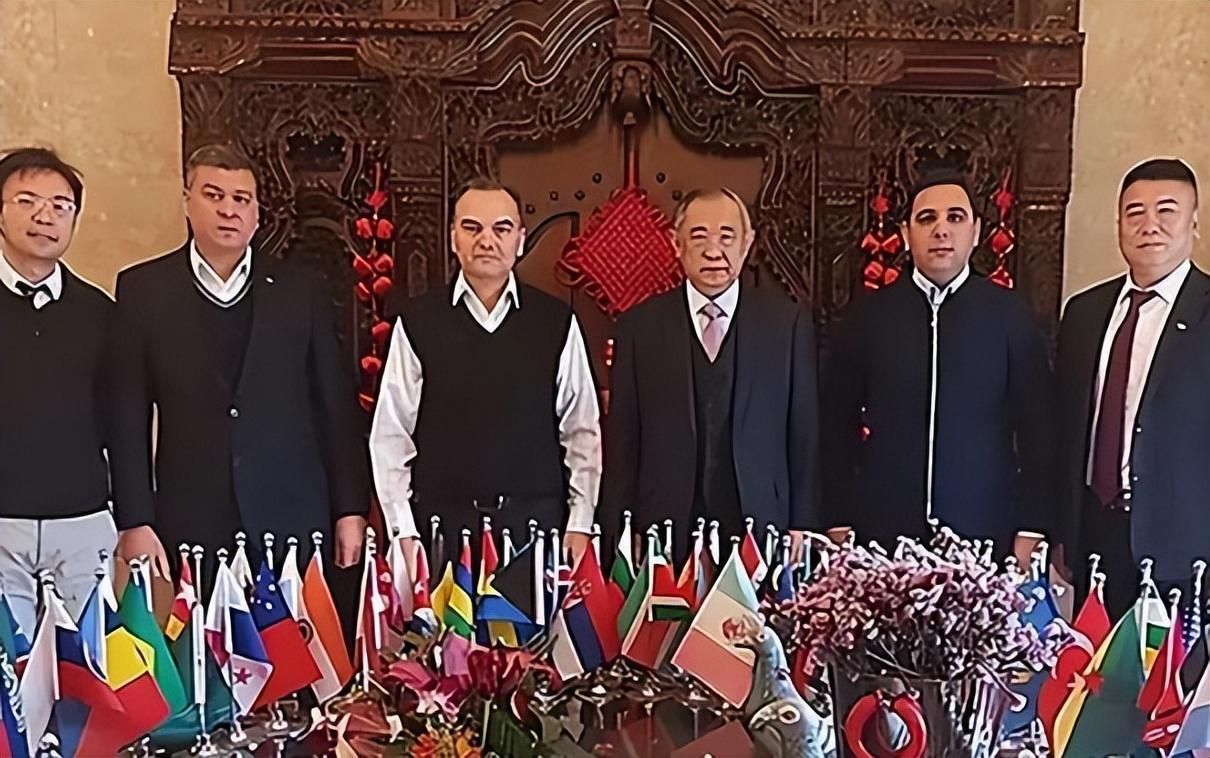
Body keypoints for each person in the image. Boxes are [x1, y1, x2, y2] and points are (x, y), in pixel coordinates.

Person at [108, 144, 369, 578]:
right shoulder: (144, 290)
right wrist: (135, 519)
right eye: (214, 196)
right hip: (192, 515)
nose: (229, 210)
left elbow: (335, 406)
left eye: (241, 199)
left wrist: (350, 508)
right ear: (187, 201)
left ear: (257, 213)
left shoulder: (300, 290)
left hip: (292, 513)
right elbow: (127, 413)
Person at [821, 169, 1055, 562]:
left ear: (976, 231)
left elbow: (1038, 430)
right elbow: (835, 424)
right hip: (883, 538)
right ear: (906, 232)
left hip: (984, 537)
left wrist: (1033, 527)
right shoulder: (870, 317)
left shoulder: (1010, 317)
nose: (941, 230)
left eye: (955, 217)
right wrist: (838, 518)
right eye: (927, 218)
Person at [370, 178, 601, 563]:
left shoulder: (556, 322)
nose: (487, 241)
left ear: (520, 240)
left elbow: (581, 431)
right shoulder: (417, 322)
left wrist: (580, 522)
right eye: (472, 228)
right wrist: (402, 531)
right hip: (441, 532)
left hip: (535, 530)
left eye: (501, 229)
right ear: (453, 238)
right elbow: (391, 435)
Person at [600, 187, 819, 559]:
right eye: (699, 237)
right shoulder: (639, 327)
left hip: (761, 520)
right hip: (665, 522)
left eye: (727, 237)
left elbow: (803, 429)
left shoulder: (786, 323)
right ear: (676, 243)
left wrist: (803, 521)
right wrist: (622, 524)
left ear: (747, 244)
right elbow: (624, 436)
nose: (713, 251)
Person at [1057, 157, 1206, 615]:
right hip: (1094, 540)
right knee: (1091, 661)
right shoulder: (1084, 313)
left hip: (1182, 550)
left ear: (1194, 223)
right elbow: (1065, 431)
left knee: (1168, 665)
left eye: (1167, 211)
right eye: (1135, 212)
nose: (1150, 225)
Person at [0, 147, 115, 633]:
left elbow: (118, 419)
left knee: (88, 666)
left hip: (82, 520)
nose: (45, 217)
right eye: (27, 201)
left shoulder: (100, 312)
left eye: (60, 206)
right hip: (3, 522)